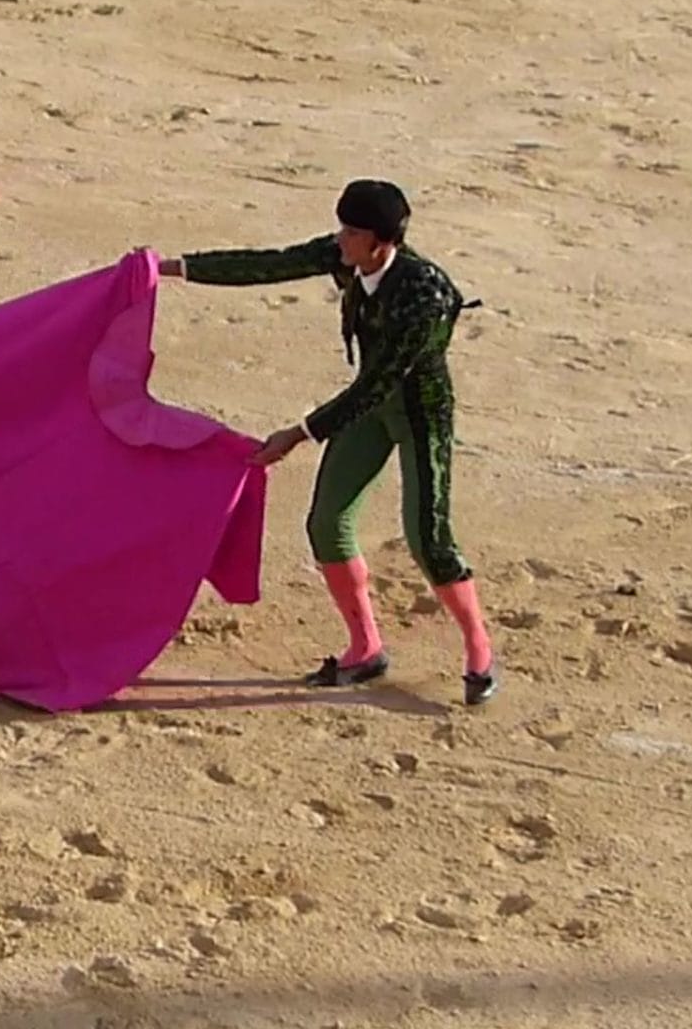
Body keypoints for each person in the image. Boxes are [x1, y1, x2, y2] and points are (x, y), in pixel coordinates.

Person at [158, 179, 501, 705]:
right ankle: (365, 648)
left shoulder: (425, 294)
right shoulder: (352, 257)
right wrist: (174, 268)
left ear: (381, 244)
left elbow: (377, 383)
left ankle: (478, 647)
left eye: (351, 231)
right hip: (370, 406)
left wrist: (299, 434)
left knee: (428, 536)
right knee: (326, 523)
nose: (340, 239)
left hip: (419, 412)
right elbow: (270, 264)